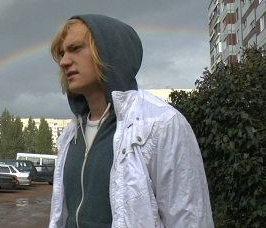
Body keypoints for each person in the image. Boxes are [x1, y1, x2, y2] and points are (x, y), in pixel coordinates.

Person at [48, 14, 214, 228]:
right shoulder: (70, 135)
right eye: (61, 53)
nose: (63, 62)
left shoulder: (161, 124)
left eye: (76, 48)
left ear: (109, 53)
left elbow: (190, 219)